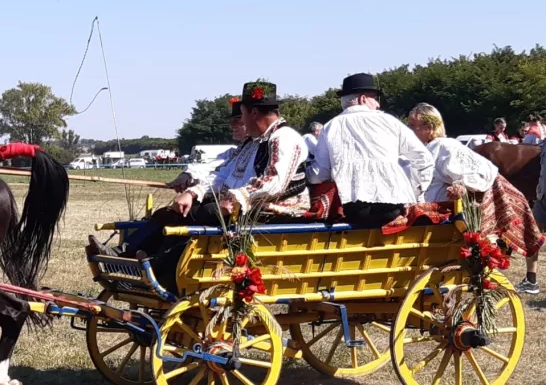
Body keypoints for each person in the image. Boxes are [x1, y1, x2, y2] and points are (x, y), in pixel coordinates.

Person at [88, 82, 309, 291]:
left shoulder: (285, 138)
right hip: (245, 206)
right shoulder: (253, 142)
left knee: (203, 213)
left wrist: (236, 196)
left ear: (253, 113)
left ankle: (160, 270)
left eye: (241, 115)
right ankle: (125, 254)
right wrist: (193, 192)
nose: (240, 121)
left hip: (275, 210)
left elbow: (274, 183)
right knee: (176, 210)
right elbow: (222, 175)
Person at [409, 103, 543, 294]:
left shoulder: (445, 147)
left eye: (414, 126)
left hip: (439, 219)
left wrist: (462, 185)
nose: (411, 131)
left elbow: (484, 174)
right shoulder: (427, 148)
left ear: (429, 127)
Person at [309, 73, 434, 228]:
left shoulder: (330, 127)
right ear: (363, 99)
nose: (377, 104)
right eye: (374, 98)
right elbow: (424, 160)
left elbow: (320, 173)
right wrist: (416, 192)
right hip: (393, 207)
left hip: (354, 208)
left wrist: (306, 176)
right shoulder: (390, 122)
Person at [166, 97, 245, 192]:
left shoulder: (260, 148)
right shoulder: (235, 152)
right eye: (231, 121)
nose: (232, 125)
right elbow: (215, 166)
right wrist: (188, 174)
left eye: (237, 121)